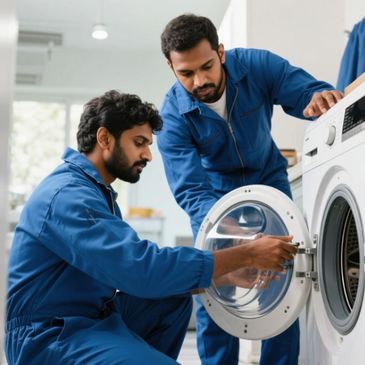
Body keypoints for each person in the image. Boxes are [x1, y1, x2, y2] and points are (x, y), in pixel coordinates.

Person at [5, 90, 298, 365]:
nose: (147, 155)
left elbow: (146, 276)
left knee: (171, 296)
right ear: (104, 138)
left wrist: (224, 274)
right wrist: (245, 255)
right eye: (139, 142)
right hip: (48, 334)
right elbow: (141, 269)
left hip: (92, 317)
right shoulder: (68, 196)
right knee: (159, 291)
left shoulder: (96, 191)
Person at [157, 14, 343, 365]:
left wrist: (318, 99)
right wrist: (232, 237)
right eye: (186, 73)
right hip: (215, 200)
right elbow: (191, 190)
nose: (199, 81)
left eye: (207, 66)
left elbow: (304, 90)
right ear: (171, 66)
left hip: (268, 179)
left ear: (221, 53)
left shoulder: (257, 65)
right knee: (213, 285)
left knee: (284, 277)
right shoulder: (172, 118)